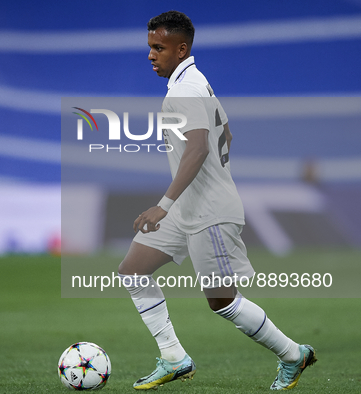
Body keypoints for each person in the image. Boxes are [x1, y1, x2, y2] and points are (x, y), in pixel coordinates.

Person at [117, 10, 316, 391]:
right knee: (132, 270)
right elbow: (226, 133)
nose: (151, 55)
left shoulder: (186, 90)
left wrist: (165, 202)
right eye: (150, 47)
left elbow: (198, 149)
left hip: (207, 211)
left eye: (158, 48)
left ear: (181, 48)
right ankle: (174, 358)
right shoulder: (197, 84)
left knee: (222, 301)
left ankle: (293, 355)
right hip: (188, 206)